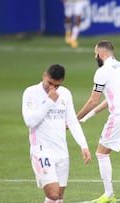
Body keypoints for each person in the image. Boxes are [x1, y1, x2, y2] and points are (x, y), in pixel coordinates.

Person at [77, 40, 120, 203]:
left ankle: (109, 195)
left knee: (101, 153)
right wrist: (89, 116)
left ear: (101, 54)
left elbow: (93, 100)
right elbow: (110, 99)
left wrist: (76, 118)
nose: (95, 56)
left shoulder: (103, 71)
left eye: (95, 53)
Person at [22, 64, 92, 203]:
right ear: (44, 76)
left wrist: (83, 145)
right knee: (53, 194)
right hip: (41, 150)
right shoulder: (31, 93)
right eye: (50, 83)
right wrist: (49, 101)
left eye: (57, 85)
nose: (52, 88)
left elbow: (72, 121)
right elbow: (30, 121)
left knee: (59, 196)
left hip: (61, 151)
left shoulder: (65, 94)